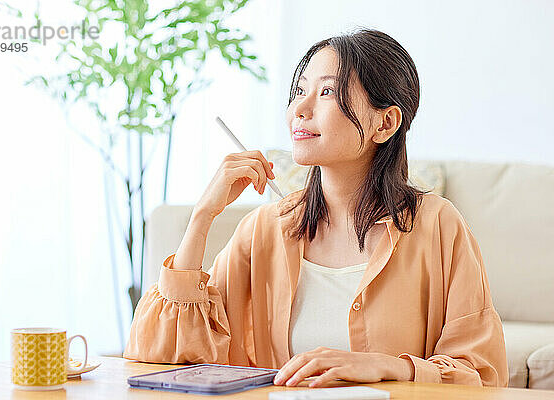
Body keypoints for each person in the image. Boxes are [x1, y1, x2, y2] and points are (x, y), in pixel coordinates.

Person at [123, 28, 509, 388]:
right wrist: (202, 217)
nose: (300, 110)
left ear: (385, 122)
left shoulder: (439, 225)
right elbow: (161, 356)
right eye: (299, 90)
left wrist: (390, 366)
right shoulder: (265, 228)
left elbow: (482, 374)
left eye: (327, 92)